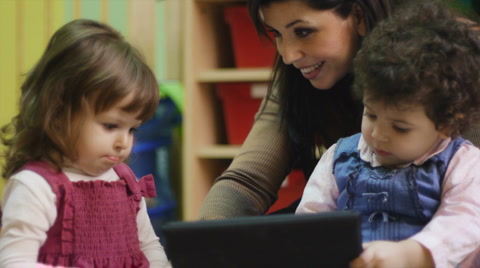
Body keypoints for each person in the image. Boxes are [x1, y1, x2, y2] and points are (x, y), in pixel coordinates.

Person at [198, 0, 480, 220]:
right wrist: (203, 241)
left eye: (303, 32)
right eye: (277, 34)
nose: (288, 55)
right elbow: (248, 180)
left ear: (357, 15)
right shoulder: (298, 77)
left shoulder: (449, 61)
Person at [296, 1, 480, 267]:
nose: (379, 134)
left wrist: (412, 254)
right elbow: (311, 221)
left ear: (447, 124)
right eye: (370, 115)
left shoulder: (463, 163)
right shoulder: (339, 157)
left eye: (400, 127)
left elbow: (467, 221)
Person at [0, 19, 170, 267]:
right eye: (111, 125)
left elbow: (149, 246)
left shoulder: (124, 183)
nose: (124, 142)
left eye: (132, 128)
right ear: (58, 114)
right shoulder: (35, 187)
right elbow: (15, 262)